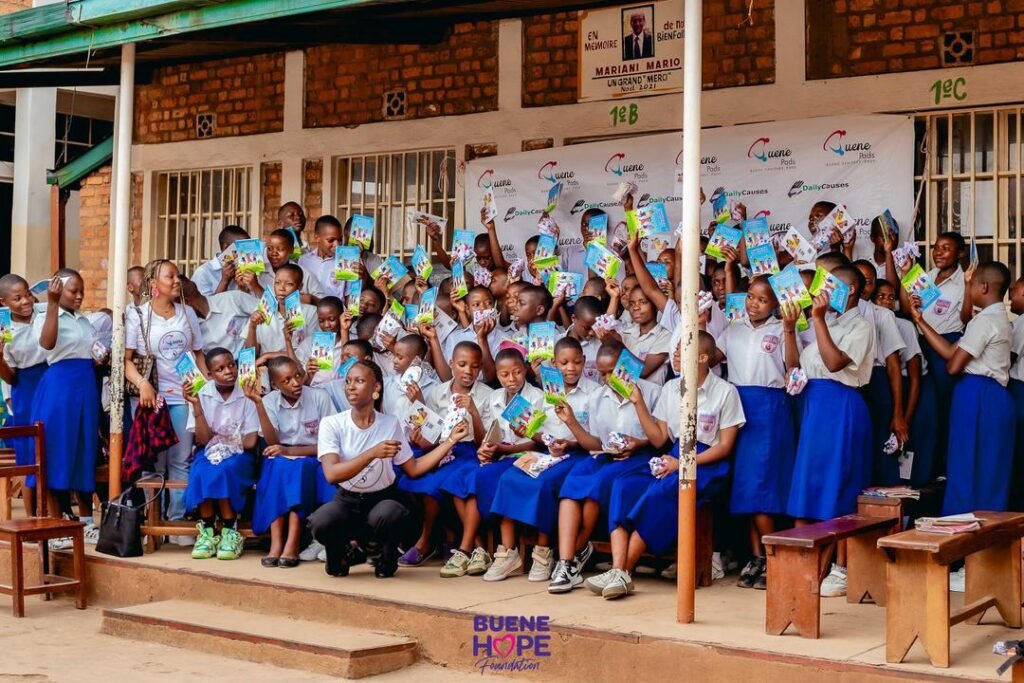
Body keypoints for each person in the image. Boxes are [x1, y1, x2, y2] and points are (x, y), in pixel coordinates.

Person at [587, 335, 744, 599]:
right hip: (672, 456)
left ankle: (624, 571)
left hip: (708, 463)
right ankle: (617, 569)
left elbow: (725, 447)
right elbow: (659, 438)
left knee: (664, 491)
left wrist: (682, 463)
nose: (676, 356)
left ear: (703, 358)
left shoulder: (725, 392)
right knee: (624, 484)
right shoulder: (671, 388)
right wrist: (638, 402)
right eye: (676, 351)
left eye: (683, 351)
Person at [309, 360, 468, 578]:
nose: (351, 387)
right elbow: (331, 474)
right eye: (348, 382)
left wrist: (450, 441)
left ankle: (386, 553)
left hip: (381, 499)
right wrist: (371, 454)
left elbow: (413, 468)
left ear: (376, 388)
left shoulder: (390, 423)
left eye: (359, 381)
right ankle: (340, 553)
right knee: (321, 521)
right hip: (346, 500)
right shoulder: (332, 423)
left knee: (391, 513)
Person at [785, 265, 875, 599]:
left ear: (849, 290)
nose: (820, 290)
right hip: (814, 408)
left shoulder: (860, 325)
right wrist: (789, 329)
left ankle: (841, 567)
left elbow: (836, 363)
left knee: (841, 484)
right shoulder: (828, 321)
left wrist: (818, 320)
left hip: (841, 408)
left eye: (829, 284)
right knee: (809, 486)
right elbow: (794, 369)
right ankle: (801, 563)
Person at [552, 340, 661, 588]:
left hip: (638, 459)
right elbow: (593, 442)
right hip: (605, 456)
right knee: (573, 484)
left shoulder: (653, 391)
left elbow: (659, 440)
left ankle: (579, 551)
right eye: (602, 373)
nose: (606, 378)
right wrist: (571, 423)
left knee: (597, 485)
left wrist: (639, 442)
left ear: (627, 367)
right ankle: (566, 561)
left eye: (612, 371)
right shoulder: (597, 396)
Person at [716, 276, 799, 590]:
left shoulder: (781, 330)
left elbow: (794, 367)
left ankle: (769, 556)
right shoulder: (733, 330)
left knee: (764, 487)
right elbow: (711, 356)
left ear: (776, 304)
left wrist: (790, 329)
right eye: (750, 297)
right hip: (738, 407)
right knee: (746, 489)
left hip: (769, 407)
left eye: (762, 300)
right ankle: (756, 557)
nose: (753, 303)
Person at [914, 261, 1014, 516]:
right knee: (989, 468)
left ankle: (960, 529)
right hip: (992, 395)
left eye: (969, 286)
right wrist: (921, 321)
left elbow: (953, 366)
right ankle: (987, 530)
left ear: (983, 286)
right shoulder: (996, 318)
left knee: (965, 464)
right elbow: (949, 350)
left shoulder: (985, 321)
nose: (966, 292)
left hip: (977, 394)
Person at [125, 259, 207, 534]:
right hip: (151, 400)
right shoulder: (137, 315)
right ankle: (152, 522)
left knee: (181, 459)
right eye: (169, 276)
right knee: (153, 463)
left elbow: (198, 354)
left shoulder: (187, 314)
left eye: (177, 276)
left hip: (182, 397)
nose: (176, 280)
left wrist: (204, 389)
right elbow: (125, 361)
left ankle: (175, 521)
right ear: (153, 284)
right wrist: (143, 384)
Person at [399, 342, 490, 578]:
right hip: (441, 448)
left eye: (474, 366)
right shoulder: (438, 392)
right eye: (461, 364)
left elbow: (485, 442)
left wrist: (474, 413)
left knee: (440, 484)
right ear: (451, 364)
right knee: (407, 472)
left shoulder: (486, 394)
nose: (468, 371)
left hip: (469, 451)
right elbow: (431, 430)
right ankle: (448, 539)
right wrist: (419, 427)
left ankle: (429, 541)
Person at [467, 348, 547, 582]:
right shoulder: (495, 398)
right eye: (504, 375)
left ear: (525, 370)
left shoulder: (536, 397)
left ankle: (509, 547)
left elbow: (536, 443)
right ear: (497, 376)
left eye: (517, 372)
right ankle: (501, 551)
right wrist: (487, 449)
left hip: (529, 456)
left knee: (506, 480)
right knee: (479, 477)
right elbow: (492, 434)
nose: (511, 379)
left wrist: (505, 449)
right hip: (504, 455)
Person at [248, 357, 335, 567]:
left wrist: (290, 450)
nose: (296, 383)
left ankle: (292, 543)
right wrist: (259, 404)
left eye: (298, 375)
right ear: (276, 385)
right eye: (287, 380)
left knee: (297, 468)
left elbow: (329, 445)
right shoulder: (269, 401)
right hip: (279, 456)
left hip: (312, 458)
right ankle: (276, 544)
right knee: (279, 465)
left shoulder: (319, 397)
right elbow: (272, 442)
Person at [31, 270, 99, 528]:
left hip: (86, 384)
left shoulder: (84, 320)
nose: (80, 296)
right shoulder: (45, 315)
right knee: (57, 449)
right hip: (60, 387)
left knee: (84, 446)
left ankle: (86, 521)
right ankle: (56, 522)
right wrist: (51, 303)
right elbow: (47, 344)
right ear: (59, 290)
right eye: (74, 291)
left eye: (82, 291)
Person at [182, 347, 259, 561]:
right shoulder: (202, 393)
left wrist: (225, 440)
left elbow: (251, 441)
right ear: (210, 374)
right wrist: (196, 406)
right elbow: (203, 439)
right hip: (209, 450)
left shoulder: (247, 392)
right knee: (201, 470)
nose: (228, 371)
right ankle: (207, 531)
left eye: (231, 365)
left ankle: (229, 529)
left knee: (225, 469)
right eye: (220, 369)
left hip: (241, 455)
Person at [0, 274, 47, 516]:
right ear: (3, 302)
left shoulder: (44, 312)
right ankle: (33, 517)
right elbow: (10, 377)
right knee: (30, 455)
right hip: (26, 390)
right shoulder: (5, 330)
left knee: (53, 449)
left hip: (51, 381)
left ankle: (58, 513)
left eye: (27, 294)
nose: (26, 301)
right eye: (17, 298)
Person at [191, 225, 250, 297]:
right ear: (226, 248)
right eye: (242, 248)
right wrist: (224, 281)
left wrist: (242, 288)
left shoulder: (247, 269)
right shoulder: (203, 273)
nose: (246, 253)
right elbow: (206, 307)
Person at [298, 215, 345, 299]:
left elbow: (351, 293)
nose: (337, 245)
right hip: (310, 310)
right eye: (331, 240)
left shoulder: (345, 262)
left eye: (340, 239)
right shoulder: (304, 261)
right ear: (317, 238)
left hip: (337, 311)